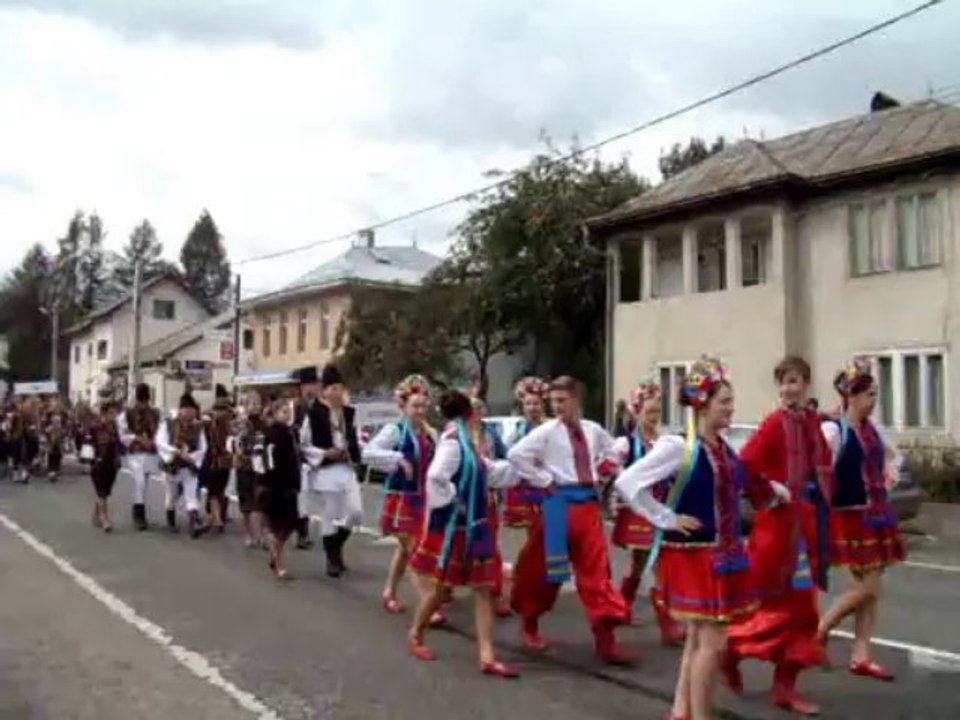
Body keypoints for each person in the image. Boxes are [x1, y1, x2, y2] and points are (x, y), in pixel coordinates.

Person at [615, 356, 788, 720]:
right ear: (703, 404)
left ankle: (682, 710)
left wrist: (776, 491)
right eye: (724, 401)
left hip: (719, 554)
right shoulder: (679, 447)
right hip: (697, 557)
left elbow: (744, 481)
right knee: (712, 643)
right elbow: (627, 482)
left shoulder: (720, 448)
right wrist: (666, 518)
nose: (731, 407)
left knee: (698, 639)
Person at [723, 356, 833, 716]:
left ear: (806, 384)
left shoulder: (813, 422)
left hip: (804, 522)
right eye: (784, 382)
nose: (789, 388)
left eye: (795, 381)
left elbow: (825, 463)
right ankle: (730, 652)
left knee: (802, 609)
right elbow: (743, 465)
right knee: (765, 605)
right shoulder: (773, 424)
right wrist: (771, 489)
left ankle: (785, 687)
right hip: (776, 524)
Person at [507, 376, 633, 666]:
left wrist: (605, 469)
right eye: (553, 401)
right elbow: (517, 455)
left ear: (577, 400)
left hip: (587, 504)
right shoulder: (547, 432)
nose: (557, 406)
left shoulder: (592, 430)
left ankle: (606, 642)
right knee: (548, 570)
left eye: (562, 400)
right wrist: (545, 480)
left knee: (597, 571)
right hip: (558, 505)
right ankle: (530, 623)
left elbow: (614, 449)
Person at [407, 388, 520, 677]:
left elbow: (485, 472)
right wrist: (453, 498)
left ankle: (486, 654)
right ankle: (416, 633)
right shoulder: (454, 443)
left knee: (483, 588)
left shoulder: (466, 443)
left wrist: (518, 470)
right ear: (470, 413)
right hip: (457, 530)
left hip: (476, 525)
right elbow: (435, 477)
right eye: (476, 410)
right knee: (442, 588)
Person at [816, 359, 906, 682]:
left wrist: (889, 474)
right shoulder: (834, 431)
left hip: (876, 514)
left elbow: (896, 456)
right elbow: (818, 468)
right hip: (850, 516)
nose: (874, 400)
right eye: (869, 394)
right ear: (851, 397)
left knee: (870, 588)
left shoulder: (872, 430)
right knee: (869, 586)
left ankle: (861, 655)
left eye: (875, 393)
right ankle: (820, 630)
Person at [611, 379, 684, 645]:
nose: (653, 418)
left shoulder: (664, 442)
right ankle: (667, 624)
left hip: (659, 509)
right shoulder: (626, 444)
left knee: (644, 565)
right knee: (655, 565)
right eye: (649, 412)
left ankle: (622, 606)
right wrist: (622, 478)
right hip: (639, 511)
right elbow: (610, 468)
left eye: (657, 413)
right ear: (636, 412)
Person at [362, 374, 439, 617]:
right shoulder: (394, 431)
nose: (420, 410)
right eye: (415, 405)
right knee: (415, 549)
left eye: (424, 406)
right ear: (403, 407)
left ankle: (389, 591)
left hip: (424, 499)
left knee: (407, 550)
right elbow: (368, 453)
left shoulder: (430, 434)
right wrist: (396, 459)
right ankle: (428, 601)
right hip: (402, 499)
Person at [299, 363, 363, 578]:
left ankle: (335, 546)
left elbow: (356, 439)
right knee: (331, 513)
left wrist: (353, 451)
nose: (337, 393)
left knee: (355, 512)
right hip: (326, 469)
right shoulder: (314, 413)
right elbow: (304, 444)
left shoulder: (349, 413)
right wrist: (324, 454)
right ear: (324, 390)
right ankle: (332, 560)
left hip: (346, 467)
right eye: (332, 388)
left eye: (340, 388)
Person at [156, 393, 208, 538]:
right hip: (172, 466)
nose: (191, 413)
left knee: (191, 494)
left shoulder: (198, 426)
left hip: (189, 466)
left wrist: (192, 457)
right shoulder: (168, 424)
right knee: (171, 495)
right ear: (181, 410)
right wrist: (176, 452)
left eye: (193, 410)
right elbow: (161, 442)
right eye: (187, 409)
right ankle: (171, 519)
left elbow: (203, 447)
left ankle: (195, 523)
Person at [501, 376, 550, 530]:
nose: (532, 407)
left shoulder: (550, 426)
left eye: (536, 403)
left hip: (546, 480)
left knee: (546, 525)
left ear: (542, 405)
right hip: (525, 482)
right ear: (523, 406)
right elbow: (509, 452)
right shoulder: (519, 429)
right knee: (531, 526)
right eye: (528, 403)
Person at [261, 399, 301, 580]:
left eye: (288, 411)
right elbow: (269, 460)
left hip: (289, 484)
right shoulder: (273, 433)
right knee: (274, 524)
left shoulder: (290, 432)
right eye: (283, 411)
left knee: (291, 523)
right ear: (275, 413)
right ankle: (278, 564)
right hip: (274, 484)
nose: (287, 414)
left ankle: (275, 551)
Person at [118, 383, 161, 531]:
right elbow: (123, 434)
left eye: (145, 401)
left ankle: (139, 507)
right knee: (140, 481)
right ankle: (139, 513)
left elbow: (160, 432)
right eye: (141, 401)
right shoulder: (127, 413)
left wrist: (154, 441)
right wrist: (137, 438)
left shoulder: (155, 413)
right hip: (135, 452)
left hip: (150, 453)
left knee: (145, 481)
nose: (143, 404)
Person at [233, 392, 267, 548]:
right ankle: (249, 534)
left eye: (257, 402)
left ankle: (261, 535)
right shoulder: (240, 424)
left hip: (260, 469)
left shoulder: (265, 424)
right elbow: (234, 445)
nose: (255, 406)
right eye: (251, 403)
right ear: (245, 406)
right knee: (246, 505)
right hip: (244, 468)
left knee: (261, 503)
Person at [291, 367, 320, 550]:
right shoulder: (295, 407)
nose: (312, 388)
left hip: (318, 457)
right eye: (308, 385)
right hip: (298, 459)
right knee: (302, 497)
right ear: (301, 387)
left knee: (311, 498)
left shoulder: (320, 406)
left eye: (314, 384)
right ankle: (302, 533)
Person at [88, 391, 122, 532]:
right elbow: (88, 443)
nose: (114, 416)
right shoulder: (95, 427)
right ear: (104, 413)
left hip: (111, 463)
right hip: (98, 462)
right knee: (102, 491)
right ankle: (104, 518)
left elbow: (118, 443)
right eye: (111, 413)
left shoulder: (114, 427)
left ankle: (96, 514)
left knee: (105, 492)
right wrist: (91, 458)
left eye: (115, 413)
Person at [203, 384, 235, 534]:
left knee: (213, 489)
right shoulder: (232, 414)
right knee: (222, 487)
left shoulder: (209, 414)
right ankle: (222, 515)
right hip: (228, 457)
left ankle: (217, 518)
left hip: (213, 456)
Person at [44, 412, 66, 482]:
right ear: (52, 421)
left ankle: (55, 472)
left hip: (58, 447)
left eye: (58, 421)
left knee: (57, 459)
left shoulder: (61, 429)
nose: (56, 422)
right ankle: (51, 472)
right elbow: (46, 436)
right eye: (55, 420)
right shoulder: (49, 429)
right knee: (51, 459)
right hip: (51, 447)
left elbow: (63, 437)